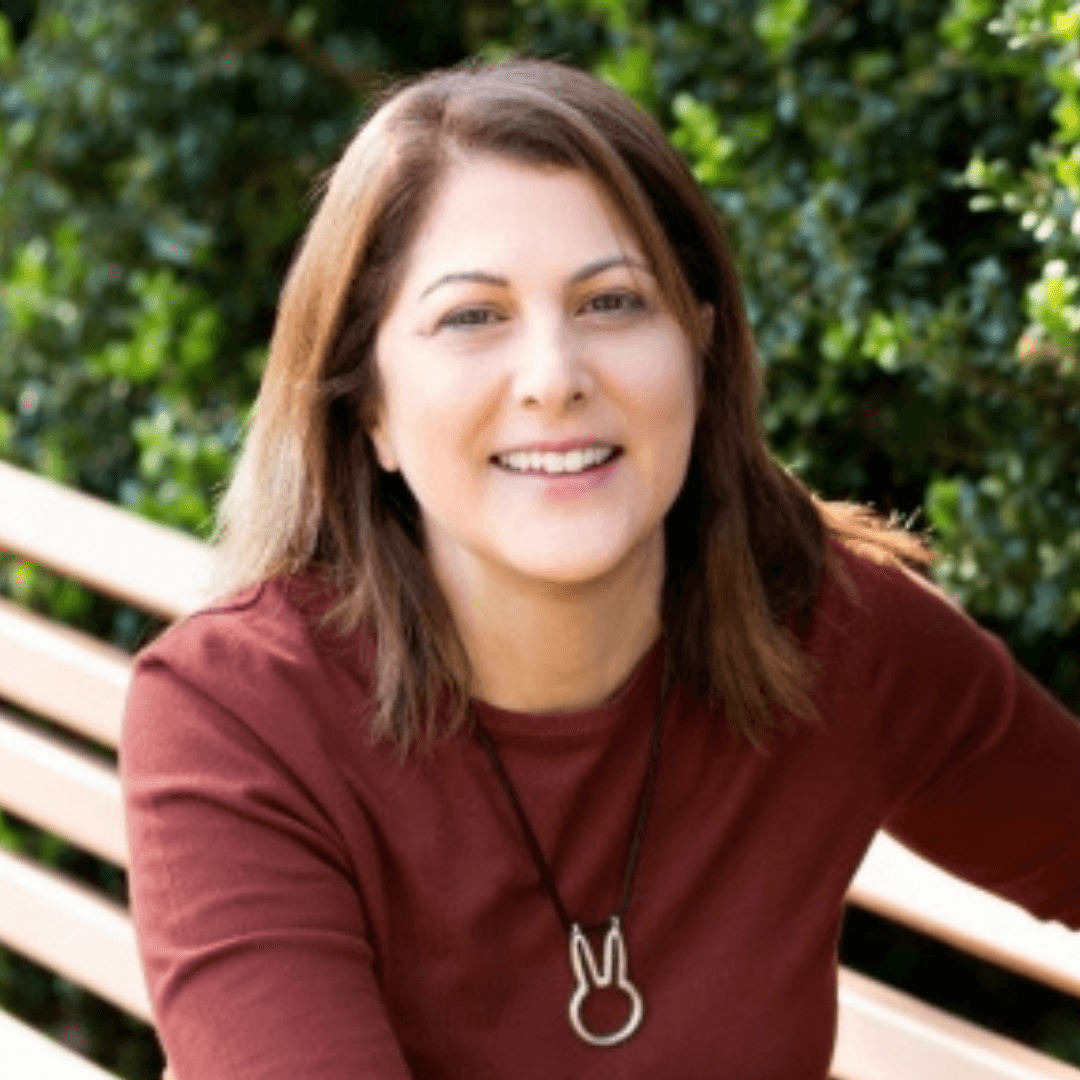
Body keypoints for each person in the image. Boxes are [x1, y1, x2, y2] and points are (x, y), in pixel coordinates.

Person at [120, 58, 1080, 1080]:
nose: (554, 379)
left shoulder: (835, 635)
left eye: (613, 302)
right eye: (472, 316)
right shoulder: (242, 719)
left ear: (700, 348)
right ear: (371, 408)